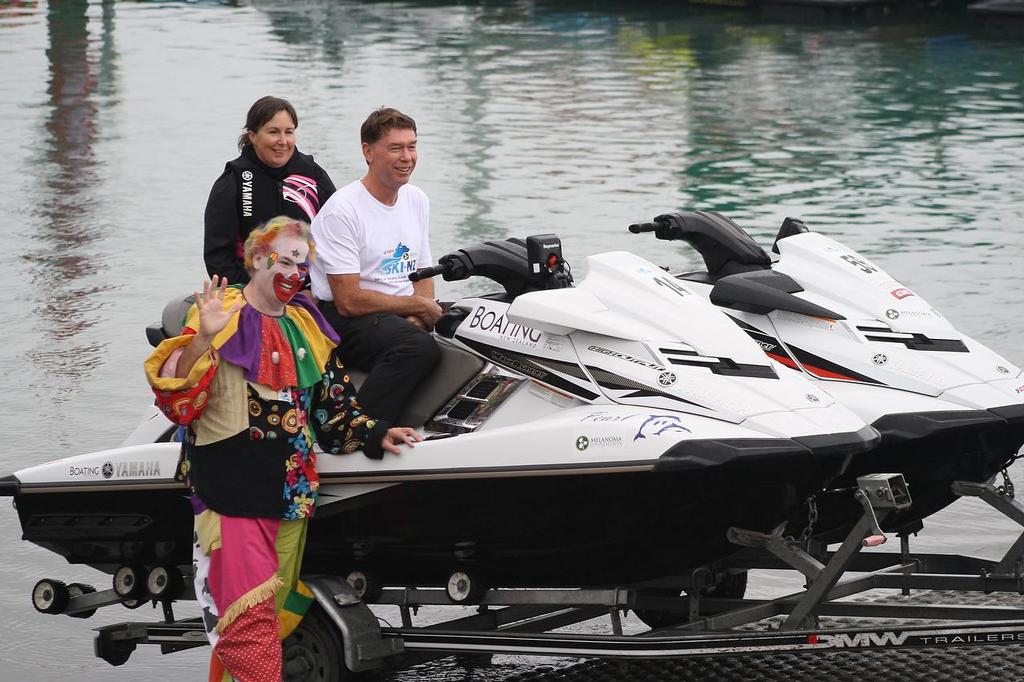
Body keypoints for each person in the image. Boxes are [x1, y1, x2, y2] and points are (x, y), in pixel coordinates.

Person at [145, 216, 421, 682]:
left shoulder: (305, 324)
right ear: (256, 259)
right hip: (232, 493)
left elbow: (332, 408)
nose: (295, 269)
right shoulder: (221, 314)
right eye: (285, 257)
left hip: (291, 492)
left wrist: (376, 432)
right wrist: (204, 340)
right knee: (247, 620)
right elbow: (178, 403)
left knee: (272, 616)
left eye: (302, 261)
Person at [309, 107, 441, 425]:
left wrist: (419, 315)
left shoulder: (416, 199)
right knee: (417, 348)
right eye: (395, 148)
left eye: (411, 146)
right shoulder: (343, 210)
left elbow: (421, 273)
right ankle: (357, 428)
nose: (406, 157)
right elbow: (349, 299)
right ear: (368, 152)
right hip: (342, 318)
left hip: (396, 310)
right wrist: (418, 308)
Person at [204, 95, 337, 284]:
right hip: (251, 291)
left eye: (289, 132)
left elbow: (336, 237)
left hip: (307, 289)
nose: (283, 141)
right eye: (273, 132)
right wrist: (253, 293)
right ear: (253, 136)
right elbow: (218, 255)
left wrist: (315, 288)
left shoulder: (313, 175)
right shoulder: (233, 181)